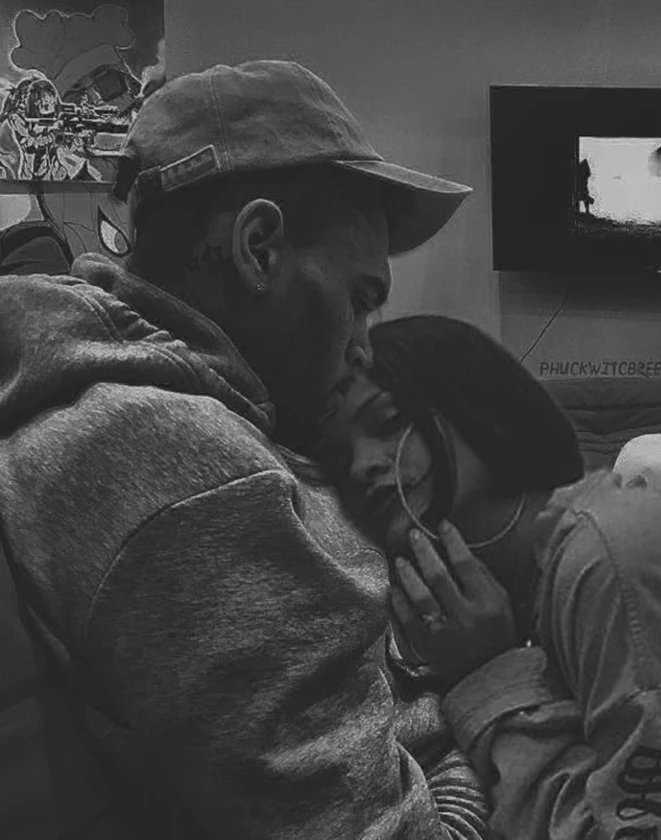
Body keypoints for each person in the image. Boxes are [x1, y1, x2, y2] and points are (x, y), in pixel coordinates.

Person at [0, 60, 478, 839]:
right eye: (360, 300)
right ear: (258, 248)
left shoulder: (141, 407)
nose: (365, 347)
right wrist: (485, 709)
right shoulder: (188, 470)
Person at [318, 314, 661, 840]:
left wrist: (489, 680)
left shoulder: (607, 563)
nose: (362, 465)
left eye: (388, 423)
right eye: (338, 458)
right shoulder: (533, 590)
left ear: (474, 406)